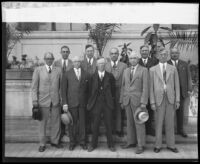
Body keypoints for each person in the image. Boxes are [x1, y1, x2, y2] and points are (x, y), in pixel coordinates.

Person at [150, 48, 180, 153]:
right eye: (161, 54)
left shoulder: (173, 68)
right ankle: (157, 145)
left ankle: (171, 145)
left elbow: (177, 85)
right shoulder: (152, 69)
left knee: (170, 123)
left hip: (170, 99)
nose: (163, 56)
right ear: (158, 56)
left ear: (167, 56)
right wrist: (152, 102)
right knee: (158, 123)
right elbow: (151, 88)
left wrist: (177, 100)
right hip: (158, 100)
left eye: (165, 54)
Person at [31, 52, 63, 152]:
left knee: (56, 122)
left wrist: (61, 100)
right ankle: (42, 143)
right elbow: (34, 87)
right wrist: (35, 100)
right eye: (47, 58)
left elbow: (61, 87)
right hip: (42, 101)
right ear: (44, 59)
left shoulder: (58, 70)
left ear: (53, 59)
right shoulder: (38, 70)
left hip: (55, 100)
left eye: (51, 58)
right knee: (42, 123)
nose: (49, 60)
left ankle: (55, 141)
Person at [120, 50, 148, 154]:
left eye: (134, 58)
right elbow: (123, 86)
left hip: (138, 101)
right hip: (127, 100)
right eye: (131, 58)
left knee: (139, 122)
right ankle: (130, 142)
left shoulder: (144, 70)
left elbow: (146, 87)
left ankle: (140, 145)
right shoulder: (126, 70)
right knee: (129, 122)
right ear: (129, 60)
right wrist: (121, 100)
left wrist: (144, 102)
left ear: (138, 59)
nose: (133, 60)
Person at [87, 57, 116, 152]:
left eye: (103, 63)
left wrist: (110, 100)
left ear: (106, 65)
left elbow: (113, 90)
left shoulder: (110, 76)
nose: (101, 65)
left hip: (107, 104)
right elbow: (89, 91)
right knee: (95, 125)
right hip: (96, 104)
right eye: (100, 64)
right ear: (96, 65)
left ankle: (111, 144)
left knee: (109, 124)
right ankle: (93, 144)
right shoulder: (92, 76)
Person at [61, 56, 89, 151]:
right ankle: (72, 142)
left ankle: (83, 142)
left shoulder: (86, 74)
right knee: (72, 124)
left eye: (78, 61)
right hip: (71, 103)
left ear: (80, 63)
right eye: (75, 61)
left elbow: (89, 90)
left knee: (82, 124)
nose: (77, 63)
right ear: (72, 63)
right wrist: (64, 103)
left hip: (83, 104)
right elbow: (63, 90)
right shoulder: (67, 74)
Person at [168, 47, 192, 138]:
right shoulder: (166, 63)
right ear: (170, 54)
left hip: (182, 92)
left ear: (179, 54)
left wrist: (189, 89)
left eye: (176, 53)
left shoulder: (184, 64)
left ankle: (180, 129)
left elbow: (188, 77)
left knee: (180, 112)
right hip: (169, 92)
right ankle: (169, 130)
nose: (174, 54)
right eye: (173, 53)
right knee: (169, 112)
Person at [105, 47, 127, 137]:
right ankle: (110, 129)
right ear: (110, 55)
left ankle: (119, 129)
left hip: (119, 90)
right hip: (108, 92)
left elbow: (126, 81)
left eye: (115, 53)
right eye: (112, 53)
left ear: (118, 55)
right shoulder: (106, 65)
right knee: (109, 111)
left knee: (119, 110)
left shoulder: (124, 65)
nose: (114, 55)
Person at [54, 45, 73, 140]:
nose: (65, 53)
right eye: (63, 51)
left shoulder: (72, 63)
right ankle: (60, 133)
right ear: (60, 53)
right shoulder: (56, 63)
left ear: (69, 53)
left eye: (67, 51)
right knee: (59, 114)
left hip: (68, 92)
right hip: (58, 91)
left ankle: (69, 132)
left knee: (68, 113)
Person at [138, 45, 158, 136]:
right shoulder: (136, 61)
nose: (144, 52)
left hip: (151, 89)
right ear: (140, 52)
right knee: (140, 110)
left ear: (149, 52)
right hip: (139, 90)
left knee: (149, 110)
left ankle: (149, 129)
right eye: (143, 50)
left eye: (146, 50)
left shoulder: (154, 61)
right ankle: (141, 129)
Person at [81, 44, 98, 136]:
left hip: (96, 91)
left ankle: (94, 129)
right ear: (85, 52)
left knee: (95, 111)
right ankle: (87, 129)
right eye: (88, 51)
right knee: (85, 111)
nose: (90, 52)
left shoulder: (98, 61)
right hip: (85, 91)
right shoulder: (82, 63)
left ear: (93, 52)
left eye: (91, 51)